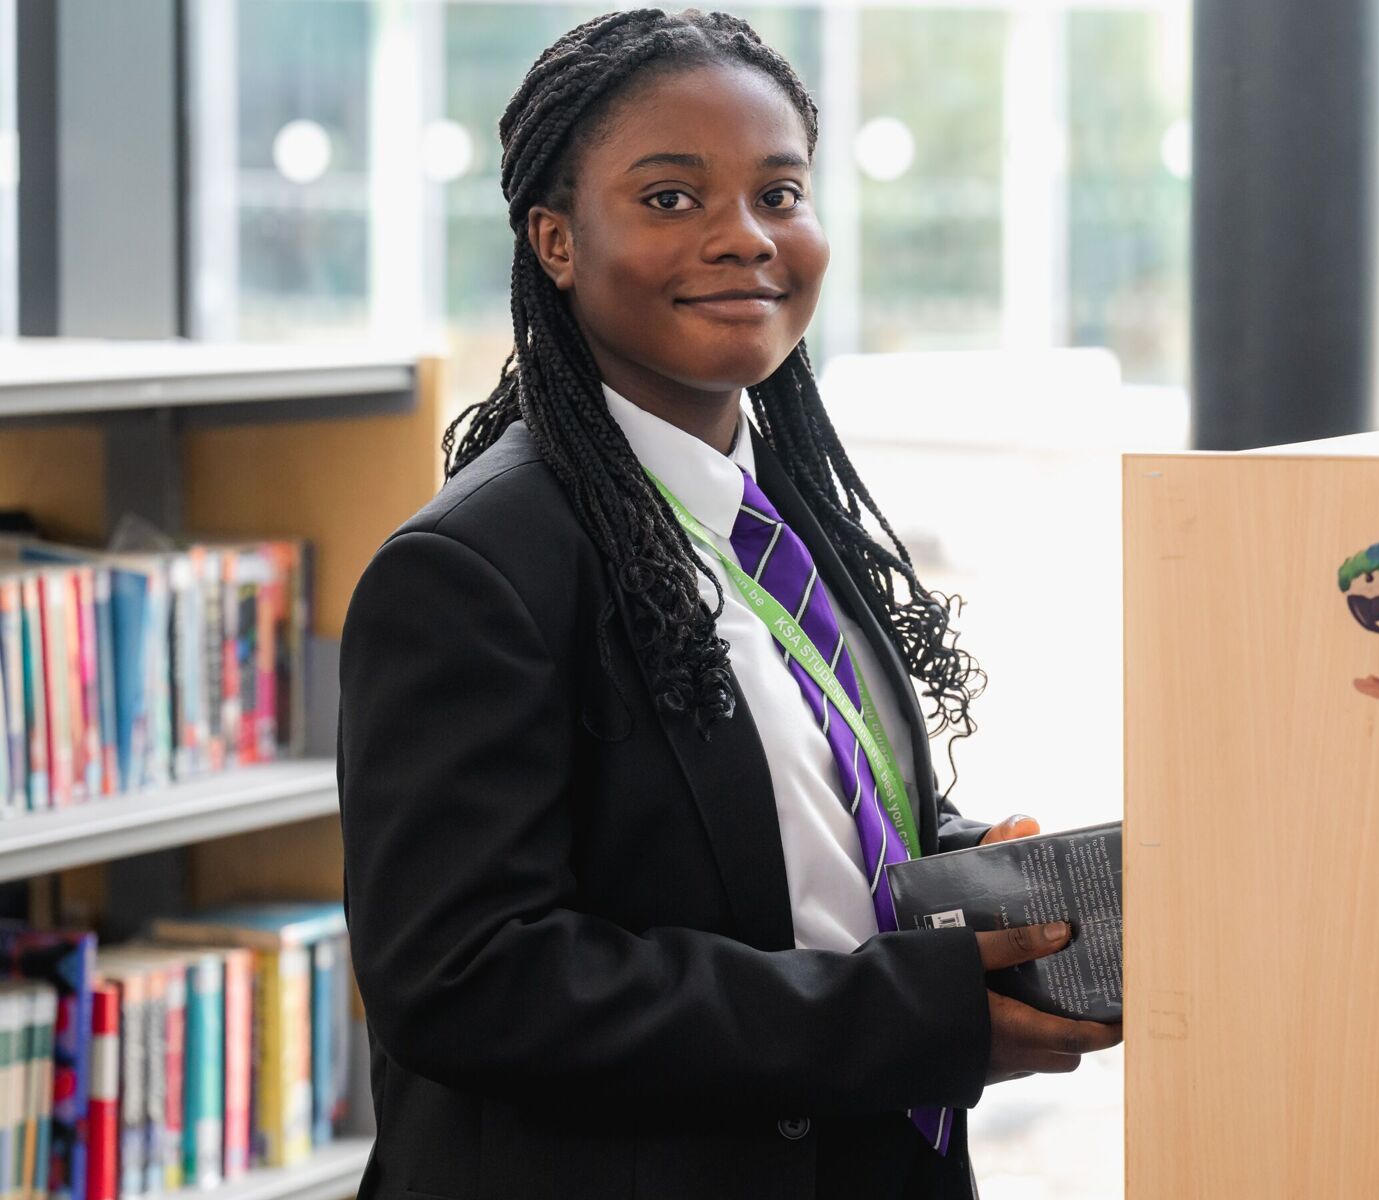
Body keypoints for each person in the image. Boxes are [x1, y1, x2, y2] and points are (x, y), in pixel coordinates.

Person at [334, 8, 1121, 1199]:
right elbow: (467, 981)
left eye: (780, 193)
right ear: (555, 239)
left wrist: (966, 876)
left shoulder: (783, 511)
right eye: (669, 199)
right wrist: (900, 1013)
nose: (743, 238)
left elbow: (770, 816)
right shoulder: (471, 571)